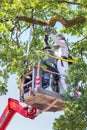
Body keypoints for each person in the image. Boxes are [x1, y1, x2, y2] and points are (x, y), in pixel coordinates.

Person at [45, 27, 69, 94]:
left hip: (63, 62)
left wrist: (50, 33)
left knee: (63, 78)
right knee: (59, 79)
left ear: (60, 38)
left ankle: (67, 94)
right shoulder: (57, 50)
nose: (54, 42)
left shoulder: (63, 43)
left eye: (57, 37)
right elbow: (50, 52)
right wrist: (46, 41)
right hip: (59, 62)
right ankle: (62, 94)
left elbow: (57, 41)